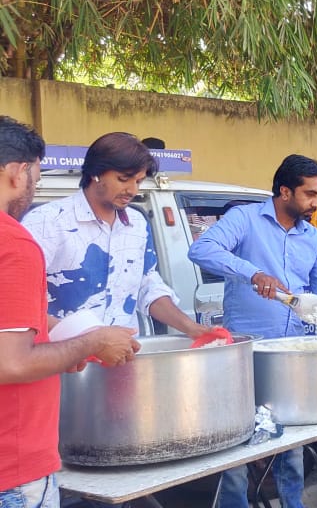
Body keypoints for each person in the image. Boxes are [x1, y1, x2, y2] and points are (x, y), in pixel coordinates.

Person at [188, 154, 317, 508]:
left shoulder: (311, 238)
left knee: (291, 441)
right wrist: (252, 273)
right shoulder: (244, 219)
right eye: (310, 194)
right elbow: (201, 249)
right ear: (285, 191)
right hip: (248, 353)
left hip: (293, 354)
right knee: (239, 443)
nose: (316, 202)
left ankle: (293, 503)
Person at [0, 118, 140, 508]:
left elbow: (16, 319)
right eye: (36, 176)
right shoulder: (16, 242)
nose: (36, 186)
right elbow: (9, 362)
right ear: (17, 172)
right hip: (12, 468)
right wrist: (92, 340)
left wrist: (75, 343)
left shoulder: (137, 224)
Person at [22, 132, 209, 340]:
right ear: (96, 173)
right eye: (123, 179)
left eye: (138, 181)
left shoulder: (137, 224)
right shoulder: (47, 221)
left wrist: (192, 328)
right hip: (63, 359)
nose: (132, 189)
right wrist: (88, 339)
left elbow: (146, 285)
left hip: (123, 357)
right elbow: (17, 301)